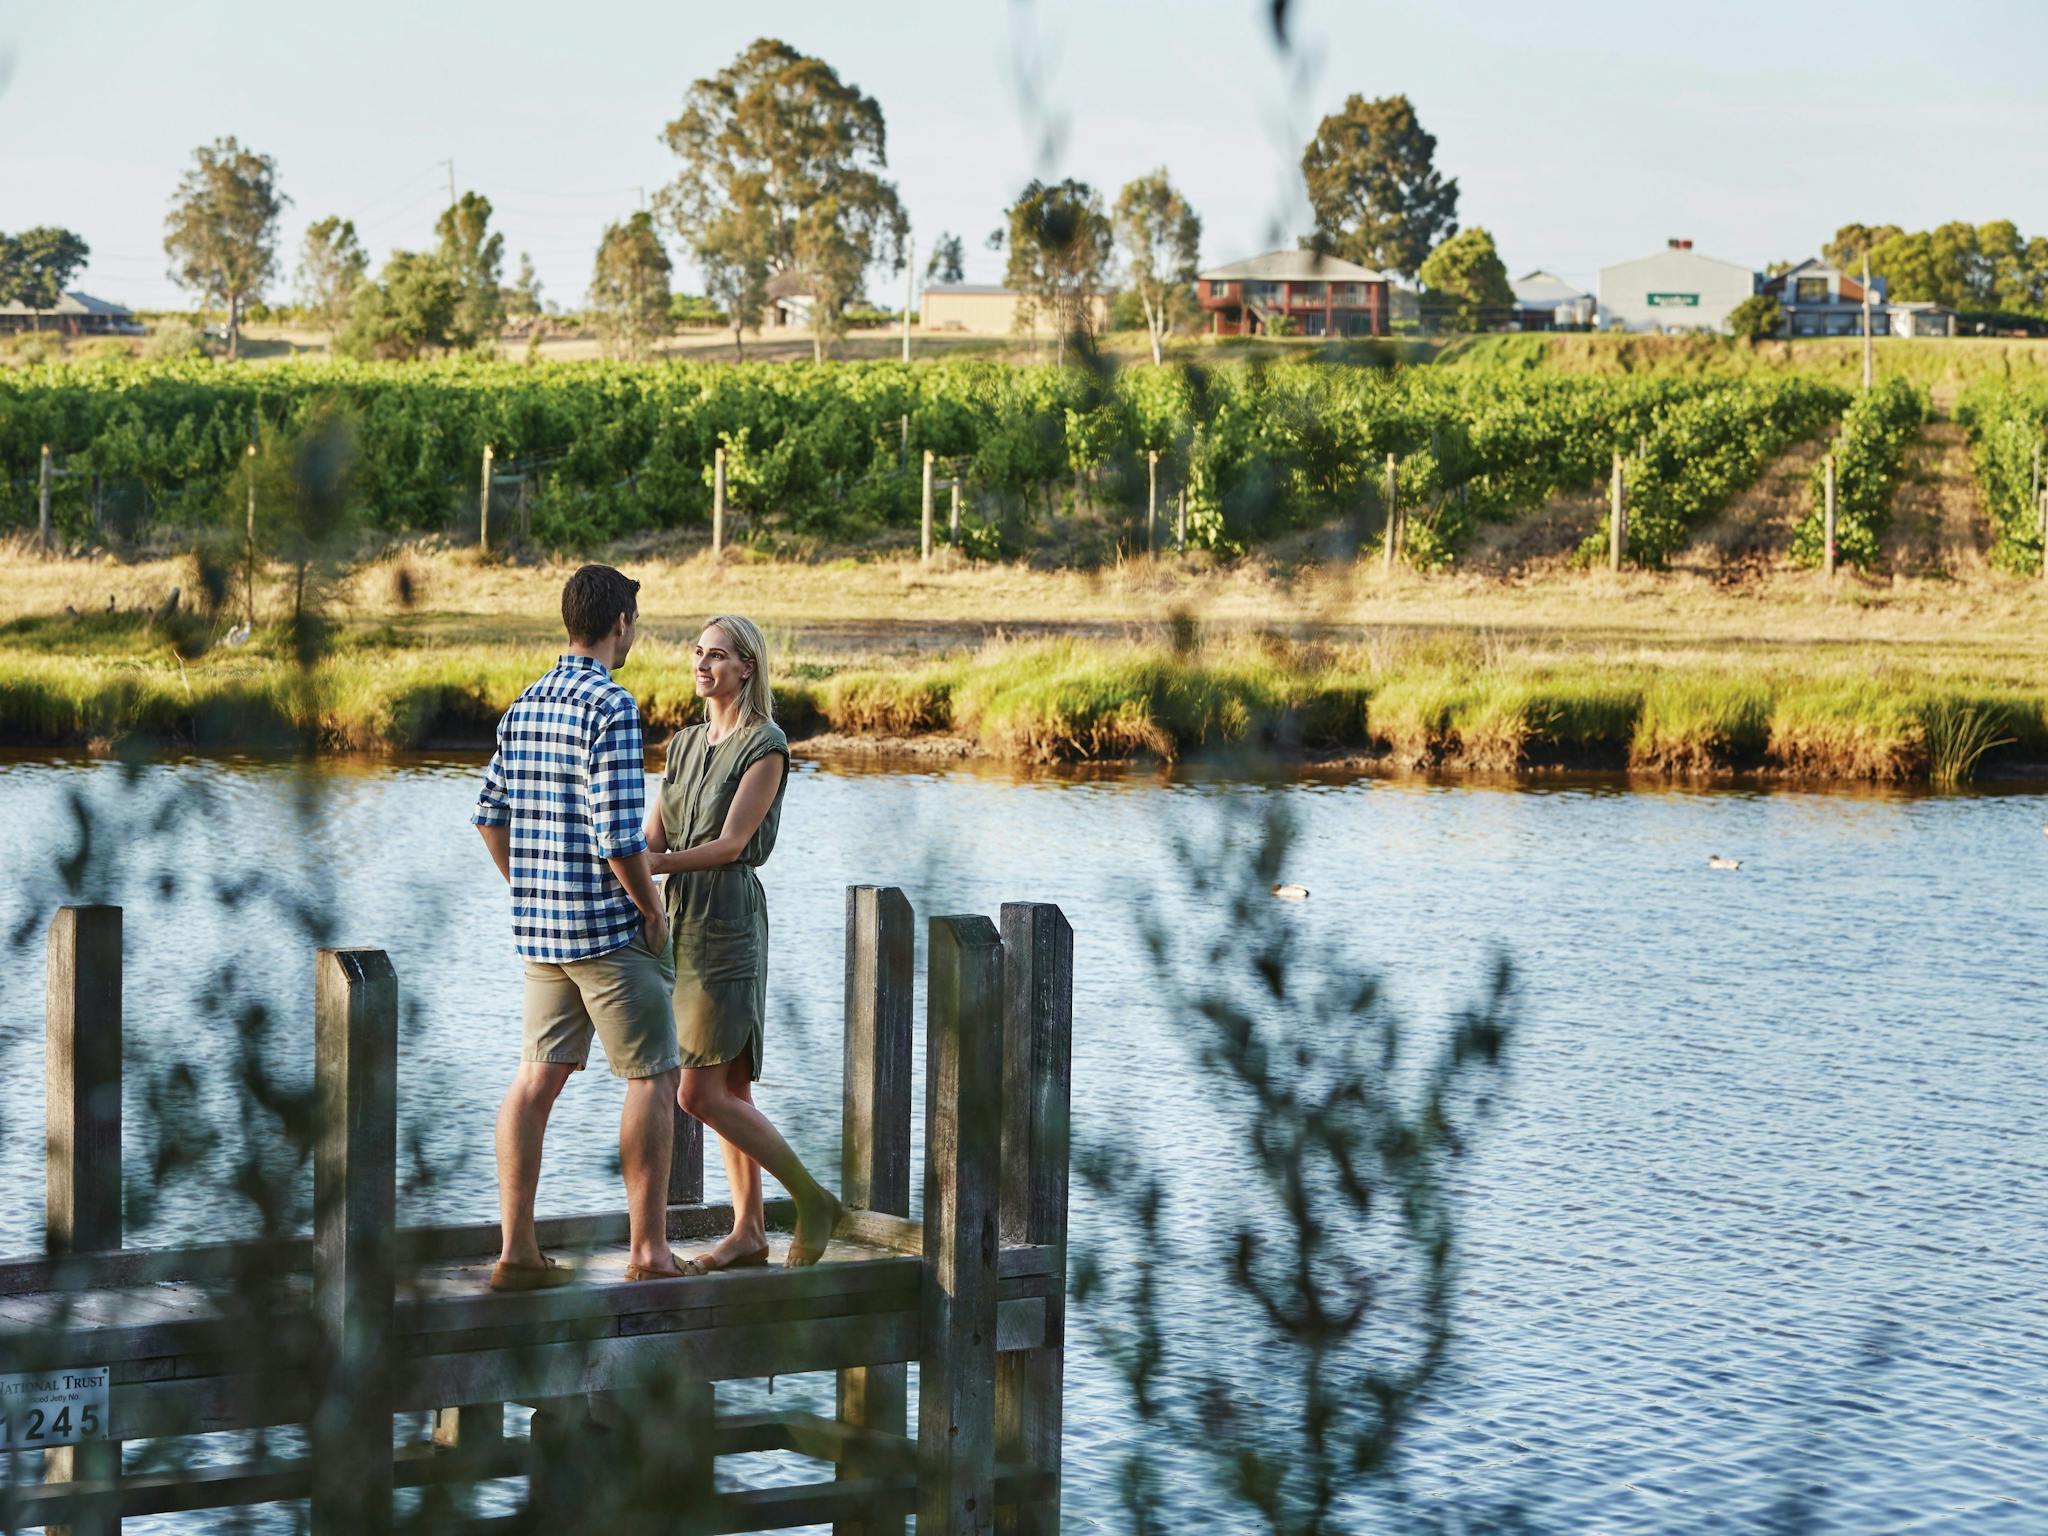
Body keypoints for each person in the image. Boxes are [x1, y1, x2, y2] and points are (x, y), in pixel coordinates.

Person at [472, 564, 685, 1289]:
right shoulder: (612, 707)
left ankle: (517, 1252)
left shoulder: (524, 705)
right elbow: (620, 838)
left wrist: (530, 884)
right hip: (606, 934)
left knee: (534, 1081)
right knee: (656, 1076)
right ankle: (649, 1252)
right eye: (634, 623)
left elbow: (487, 816)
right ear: (620, 623)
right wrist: (651, 912)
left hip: (541, 935)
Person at [647, 614, 842, 1271]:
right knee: (728, 1084)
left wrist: (654, 867)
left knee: (697, 1094)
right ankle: (750, 1230)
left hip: (726, 920)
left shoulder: (767, 744)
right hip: (678, 922)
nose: (703, 665)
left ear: (747, 668)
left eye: (720, 656)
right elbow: (654, 837)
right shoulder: (681, 747)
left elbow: (730, 845)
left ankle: (814, 1202)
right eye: (698, 653)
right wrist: (629, 872)